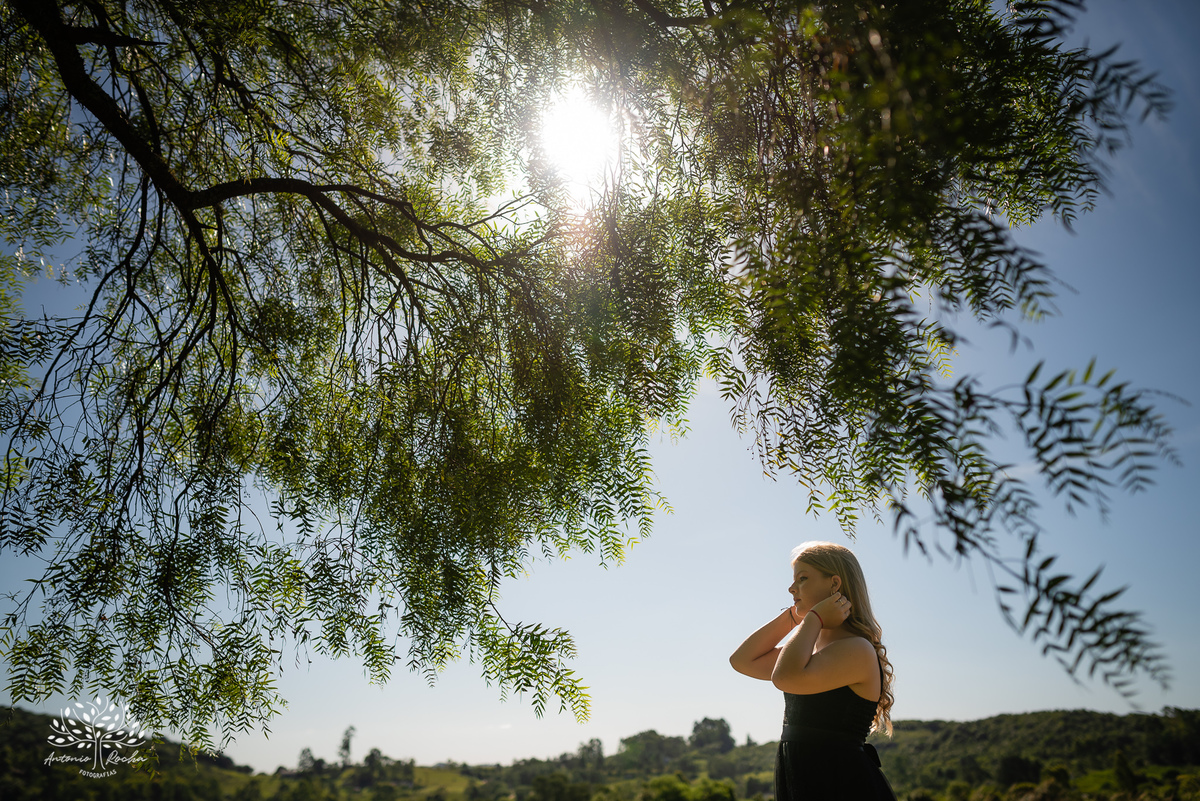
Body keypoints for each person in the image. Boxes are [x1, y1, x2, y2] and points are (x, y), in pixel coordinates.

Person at [730, 541, 897, 801]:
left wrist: (813, 618)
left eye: (803, 578)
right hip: (804, 780)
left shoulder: (857, 649)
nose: (791, 587)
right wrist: (796, 616)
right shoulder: (809, 646)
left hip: (841, 783)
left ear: (834, 584)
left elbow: (783, 677)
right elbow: (742, 660)